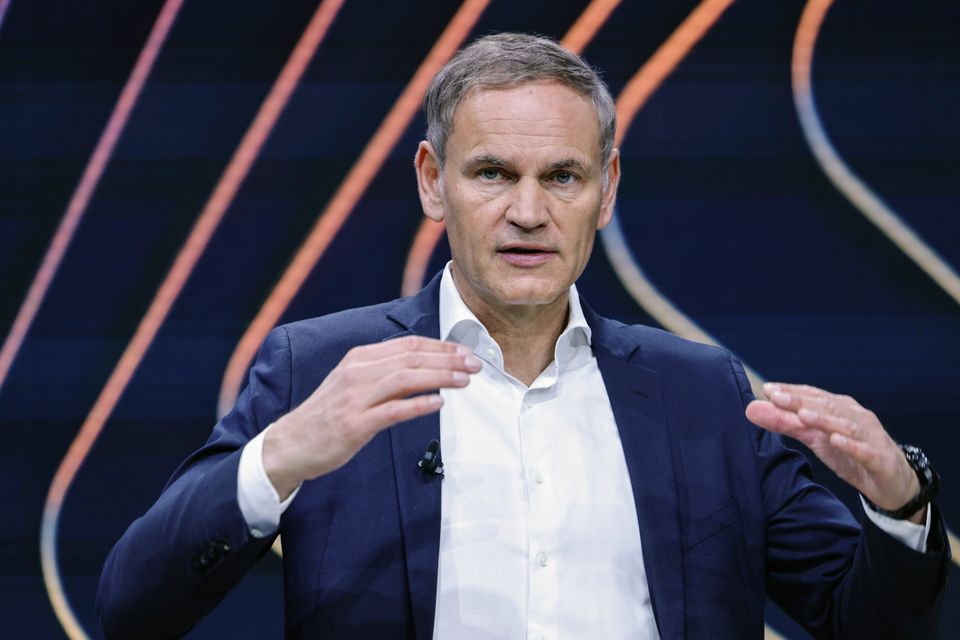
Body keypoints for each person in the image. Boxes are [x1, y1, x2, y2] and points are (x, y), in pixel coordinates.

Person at [97, 33, 949, 639]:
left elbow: (864, 622)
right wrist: (281, 456)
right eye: (494, 173)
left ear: (606, 191)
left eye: (563, 176)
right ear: (433, 182)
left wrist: (899, 504)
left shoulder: (702, 394)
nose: (530, 211)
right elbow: (132, 609)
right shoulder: (319, 370)